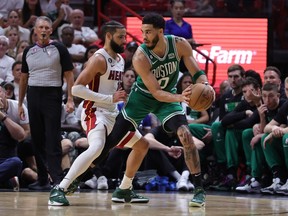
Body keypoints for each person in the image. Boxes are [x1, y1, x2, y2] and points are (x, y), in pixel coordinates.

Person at [99, 13, 210, 207]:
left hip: (168, 99)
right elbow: (156, 92)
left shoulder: (180, 44)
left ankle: (199, 189)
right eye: (143, 32)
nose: (144, 36)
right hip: (143, 97)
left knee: (185, 135)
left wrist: (205, 85)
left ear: (161, 31)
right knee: (111, 140)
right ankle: (75, 180)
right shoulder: (140, 56)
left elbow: (198, 73)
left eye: (148, 32)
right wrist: (180, 97)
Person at [48, 20, 130, 206]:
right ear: (108, 36)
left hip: (112, 113)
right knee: (96, 147)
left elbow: (112, 90)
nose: (124, 40)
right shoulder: (98, 59)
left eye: (125, 36)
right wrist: (110, 98)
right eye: (120, 37)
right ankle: (59, 188)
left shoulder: (121, 59)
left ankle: (125, 189)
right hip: (94, 111)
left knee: (140, 144)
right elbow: (76, 89)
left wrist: (118, 97)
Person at [18, 16, 74, 190]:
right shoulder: (28, 51)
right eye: (40, 27)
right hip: (33, 95)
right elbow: (23, 78)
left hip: (52, 95)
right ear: (35, 30)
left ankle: (56, 179)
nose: (43, 30)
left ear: (51, 30)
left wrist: (70, 98)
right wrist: (20, 103)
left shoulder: (59, 48)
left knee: (52, 138)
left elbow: (69, 75)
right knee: (37, 139)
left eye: (46, 28)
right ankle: (42, 178)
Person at [0, 85, 25, 190]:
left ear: (5, 94)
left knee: (16, 163)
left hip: (5, 161)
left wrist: (2, 116)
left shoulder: (12, 110)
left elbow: (21, 135)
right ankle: (7, 181)